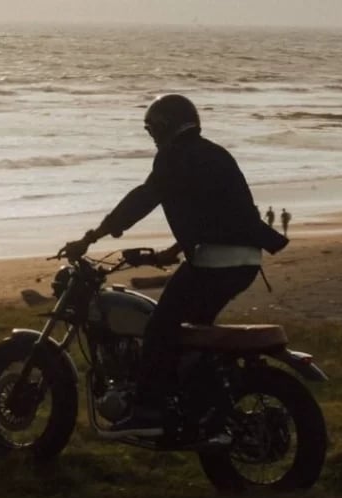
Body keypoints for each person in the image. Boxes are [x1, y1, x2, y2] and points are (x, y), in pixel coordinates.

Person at [60, 94, 289, 438]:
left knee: (158, 328)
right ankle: (196, 404)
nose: (151, 135)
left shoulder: (173, 156)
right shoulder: (215, 153)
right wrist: (172, 251)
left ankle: (149, 412)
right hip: (246, 260)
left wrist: (91, 237)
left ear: (165, 125)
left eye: (152, 127)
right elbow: (216, 212)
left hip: (216, 262)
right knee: (191, 334)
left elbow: (142, 199)